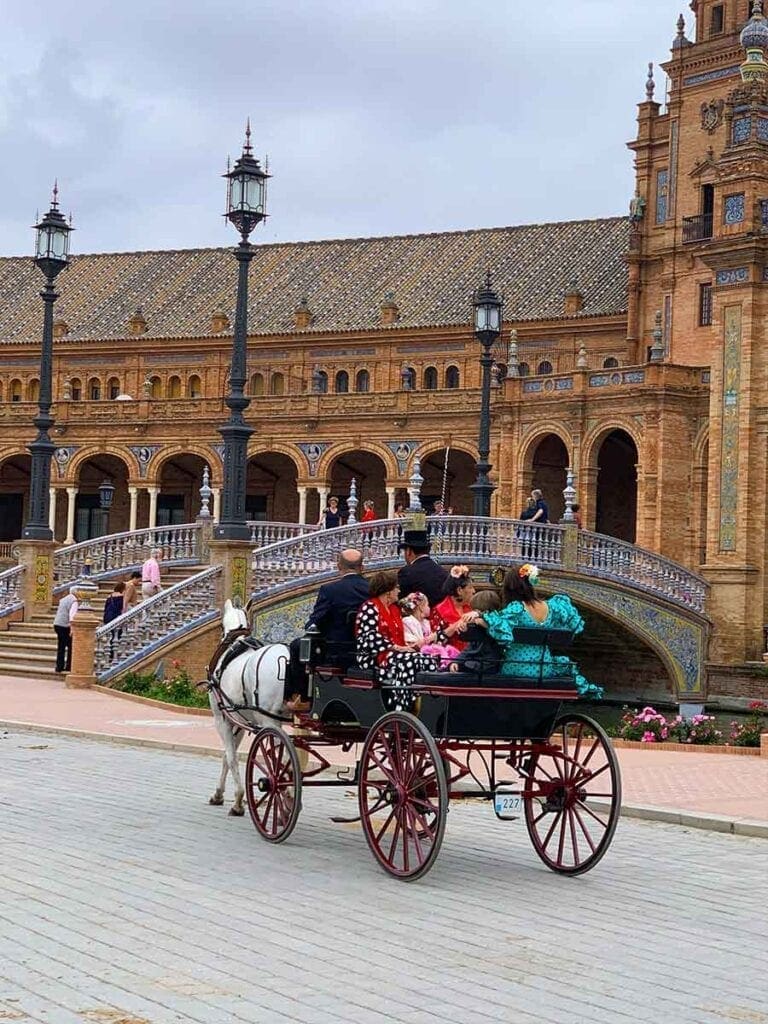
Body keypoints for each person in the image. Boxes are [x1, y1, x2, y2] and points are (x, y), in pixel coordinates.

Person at [472, 564, 603, 699]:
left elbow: (500, 627)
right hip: (543, 668)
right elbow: (572, 625)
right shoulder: (553, 606)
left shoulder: (517, 608)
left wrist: (480, 620)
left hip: (517, 667)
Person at [285, 548, 370, 707]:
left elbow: (316, 622)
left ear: (339, 567)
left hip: (335, 654)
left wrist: (311, 625)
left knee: (297, 646)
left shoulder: (330, 590)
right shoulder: (372, 589)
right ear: (362, 568)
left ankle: (301, 697)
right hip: (365, 651)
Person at [355, 570, 439, 711]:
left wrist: (408, 647)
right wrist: (397, 648)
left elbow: (400, 636)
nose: (399, 591)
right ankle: (401, 705)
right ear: (388, 591)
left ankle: (424, 700)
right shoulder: (370, 608)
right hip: (374, 657)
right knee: (409, 660)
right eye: (397, 588)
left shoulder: (394, 610)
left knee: (428, 659)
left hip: (395, 654)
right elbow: (370, 637)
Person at [399, 591, 466, 667]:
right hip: (418, 656)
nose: (429, 608)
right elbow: (414, 643)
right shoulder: (408, 621)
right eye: (427, 605)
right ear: (421, 607)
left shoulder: (426, 622)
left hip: (429, 653)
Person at [451, 590, 504, 675]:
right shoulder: (477, 626)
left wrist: (478, 616)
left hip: (487, 666)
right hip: (475, 664)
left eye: (475, 610)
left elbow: (492, 624)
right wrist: (456, 661)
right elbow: (470, 647)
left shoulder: (497, 624)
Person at [397, 529, 448, 608]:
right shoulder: (442, 571)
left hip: (417, 617)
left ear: (409, 551)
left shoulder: (406, 572)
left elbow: (401, 601)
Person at [430, 565, 476, 651]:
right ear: (459, 590)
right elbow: (433, 643)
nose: (474, 591)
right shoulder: (439, 611)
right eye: (470, 587)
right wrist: (454, 627)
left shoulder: (472, 608)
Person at [53, 586, 79, 674]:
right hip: (65, 626)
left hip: (57, 624)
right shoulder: (74, 601)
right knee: (71, 646)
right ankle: (69, 666)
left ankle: (59, 666)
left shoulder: (63, 599)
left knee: (61, 646)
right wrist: (72, 629)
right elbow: (72, 616)